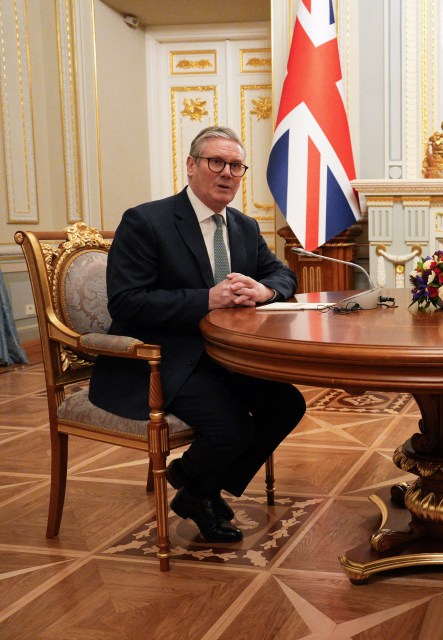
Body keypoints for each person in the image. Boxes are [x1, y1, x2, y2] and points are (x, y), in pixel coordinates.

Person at [89, 126, 306, 542]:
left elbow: (283, 273)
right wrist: (206, 299)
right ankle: (199, 492)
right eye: (216, 162)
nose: (227, 173)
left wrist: (266, 289)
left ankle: (193, 484)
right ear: (191, 166)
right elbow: (127, 302)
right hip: (161, 357)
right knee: (231, 429)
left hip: (225, 355)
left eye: (236, 166)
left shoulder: (243, 227)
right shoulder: (146, 221)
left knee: (287, 404)